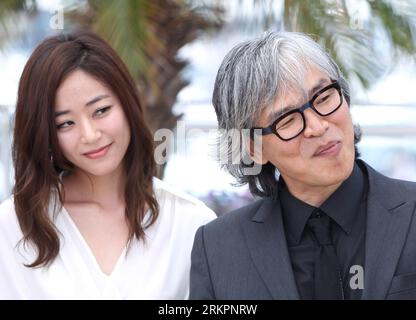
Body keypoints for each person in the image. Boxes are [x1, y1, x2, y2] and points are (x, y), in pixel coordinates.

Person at [190, 31, 416, 300]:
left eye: (324, 98)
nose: (318, 126)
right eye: (287, 120)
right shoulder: (219, 247)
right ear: (254, 148)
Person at [0, 30, 216, 299]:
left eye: (101, 110)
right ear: (45, 134)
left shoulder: (190, 223)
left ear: (127, 104)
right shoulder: (12, 228)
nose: (90, 135)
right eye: (65, 123)